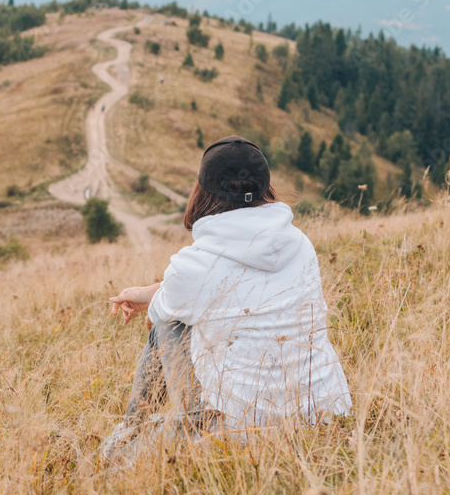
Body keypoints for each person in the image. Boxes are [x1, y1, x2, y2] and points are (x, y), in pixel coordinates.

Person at [99, 135, 352, 465]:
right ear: (265, 186)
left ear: (202, 191)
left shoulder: (193, 264)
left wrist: (153, 296)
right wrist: (153, 291)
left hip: (239, 435)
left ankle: (128, 433)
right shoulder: (299, 244)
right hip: (323, 416)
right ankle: (139, 433)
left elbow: (163, 313)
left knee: (169, 327)